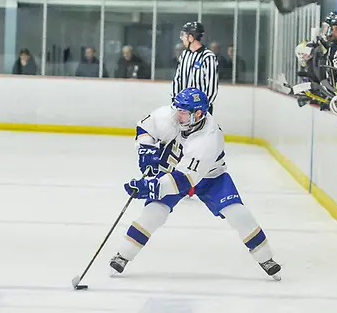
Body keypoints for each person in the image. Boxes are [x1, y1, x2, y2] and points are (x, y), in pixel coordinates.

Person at [109, 87, 281, 280]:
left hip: (210, 178)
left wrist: (151, 187)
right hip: (175, 172)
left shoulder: (209, 138)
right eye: (177, 110)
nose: (177, 115)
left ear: (198, 114)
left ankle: (266, 258)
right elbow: (145, 128)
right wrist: (146, 150)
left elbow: (185, 180)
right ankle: (123, 255)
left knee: (239, 215)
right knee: (154, 213)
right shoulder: (171, 115)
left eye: (182, 112)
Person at [172, 22, 219, 114]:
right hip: (183, 107)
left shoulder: (208, 57)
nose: (182, 39)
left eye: (184, 35)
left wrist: (202, 107)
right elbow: (177, 79)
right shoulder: (184, 55)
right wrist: (177, 101)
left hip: (200, 110)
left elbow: (211, 87)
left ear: (191, 37)